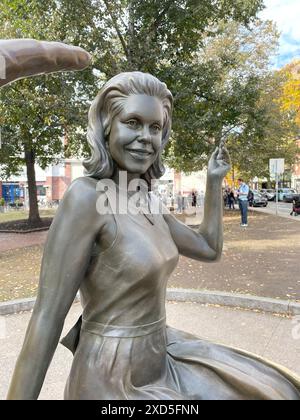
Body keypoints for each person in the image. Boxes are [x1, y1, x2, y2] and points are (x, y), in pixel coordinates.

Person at [6, 68, 300, 399]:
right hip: (112, 377)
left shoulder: (144, 197)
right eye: (133, 122)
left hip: (160, 356)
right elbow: (47, 317)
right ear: (107, 125)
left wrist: (214, 181)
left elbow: (207, 247)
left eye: (155, 127)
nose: (146, 136)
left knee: (275, 389)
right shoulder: (86, 197)